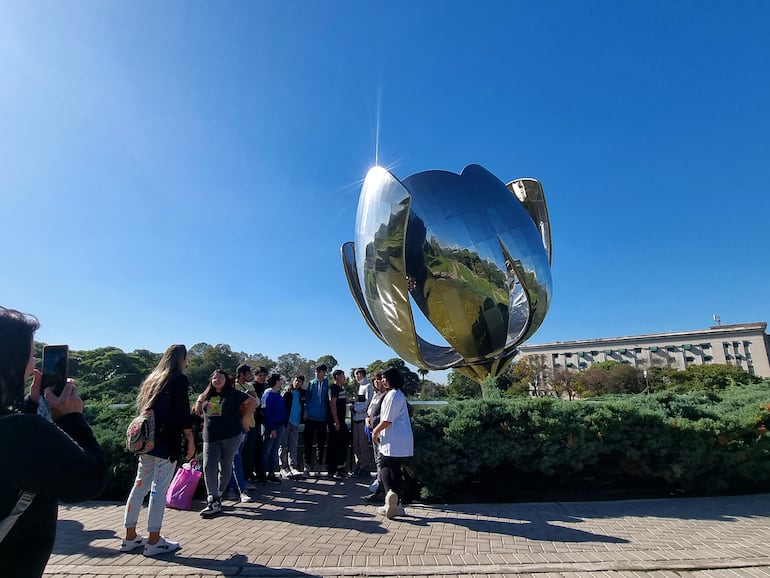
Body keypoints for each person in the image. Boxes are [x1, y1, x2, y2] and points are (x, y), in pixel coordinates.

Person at [0, 307, 107, 577]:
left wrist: (29, 404)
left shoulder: (18, 427)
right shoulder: (22, 432)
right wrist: (71, 418)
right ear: (12, 360)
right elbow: (89, 479)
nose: (34, 364)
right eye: (31, 354)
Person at [122, 344, 195, 556]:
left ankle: (130, 536)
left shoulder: (153, 380)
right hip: (165, 441)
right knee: (158, 490)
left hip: (146, 440)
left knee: (139, 486)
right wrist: (190, 438)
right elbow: (182, 411)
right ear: (182, 358)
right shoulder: (178, 379)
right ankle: (154, 541)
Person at [193, 369, 256, 518]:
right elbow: (198, 405)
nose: (216, 379)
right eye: (214, 377)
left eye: (220, 376)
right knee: (208, 466)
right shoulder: (207, 394)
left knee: (226, 466)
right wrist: (198, 402)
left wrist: (246, 419)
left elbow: (253, 402)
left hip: (231, 436)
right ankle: (212, 499)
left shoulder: (233, 394)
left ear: (226, 379)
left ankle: (219, 494)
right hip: (210, 437)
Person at [372, 367, 413, 519]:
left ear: (392, 379)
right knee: (394, 468)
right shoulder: (398, 394)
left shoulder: (393, 395)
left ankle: (392, 497)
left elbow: (387, 419)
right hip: (398, 438)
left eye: (385, 378)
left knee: (385, 466)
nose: (382, 380)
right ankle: (396, 503)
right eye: (381, 378)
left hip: (393, 438)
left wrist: (375, 431)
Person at [224, 364, 257, 503]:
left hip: (244, 426)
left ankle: (237, 487)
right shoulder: (231, 388)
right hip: (231, 427)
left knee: (237, 457)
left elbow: (256, 402)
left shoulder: (247, 388)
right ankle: (235, 488)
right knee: (234, 457)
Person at [363, 371, 386, 503]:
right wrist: (367, 420)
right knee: (376, 455)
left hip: (380, 430)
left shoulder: (386, 396)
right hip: (371, 429)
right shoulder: (375, 395)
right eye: (374, 381)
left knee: (380, 457)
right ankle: (378, 479)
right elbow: (370, 411)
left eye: (378, 380)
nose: (376, 382)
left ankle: (381, 482)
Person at [259, 373, 287, 484]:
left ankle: (271, 473)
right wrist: (271, 428)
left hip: (280, 426)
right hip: (272, 427)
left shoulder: (278, 394)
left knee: (274, 450)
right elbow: (267, 413)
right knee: (266, 451)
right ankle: (263, 475)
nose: (281, 382)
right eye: (280, 380)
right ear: (275, 381)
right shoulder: (268, 395)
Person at [302, 364, 329, 475]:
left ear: (324, 372)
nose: (317, 373)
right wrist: (306, 411)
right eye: (316, 371)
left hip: (322, 418)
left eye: (320, 371)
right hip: (310, 418)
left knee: (320, 444)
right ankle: (307, 466)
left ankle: (319, 465)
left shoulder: (328, 384)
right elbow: (307, 398)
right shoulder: (311, 383)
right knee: (307, 442)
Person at [279, 374, 306, 478]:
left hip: (296, 421)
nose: (297, 383)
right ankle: (283, 467)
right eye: (295, 380)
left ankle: (293, 466)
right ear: (292, 381)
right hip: (286, 421)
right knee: (283, 445)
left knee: (293, 445)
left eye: (299, 381)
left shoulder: (302, 393)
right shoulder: (287, 392)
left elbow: (306, 402)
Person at [351, 368, 375, 478]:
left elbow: (367, 403)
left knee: (363, 445)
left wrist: (355, 408)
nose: (355, 377)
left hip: (363, 419)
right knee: (356, 444)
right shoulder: (360, 387)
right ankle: (358, 465)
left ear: (360, 375)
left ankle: (365, 467)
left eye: (356, 375)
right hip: (356, 419)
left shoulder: (368, 386)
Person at [326, 369, 350, 478]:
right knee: (335, 444)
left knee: (343, 442)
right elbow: (332, 404)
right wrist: (336, 421)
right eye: (343, 375)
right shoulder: (333, 388)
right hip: (336, 421)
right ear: (337, 377)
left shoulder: (341, 389)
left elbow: (345, 401)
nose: (344, 377)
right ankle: (333, 469)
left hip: (341, 420)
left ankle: (341, 467)